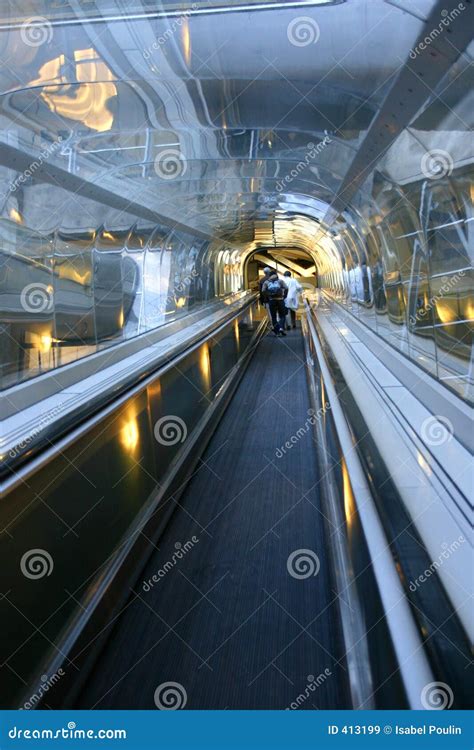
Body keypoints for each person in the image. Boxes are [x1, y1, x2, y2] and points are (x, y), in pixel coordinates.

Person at [261, 268, 288, 336]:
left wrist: (268, 296)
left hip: (272, 301)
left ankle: (277, 332)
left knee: (273, 317)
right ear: (276, 275)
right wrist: (284, 296)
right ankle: (281, 328)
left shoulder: (266, 282)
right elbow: (286, 288)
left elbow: (263, 291)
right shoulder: (280, 281)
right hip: (280, 300)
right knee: (282, 315)